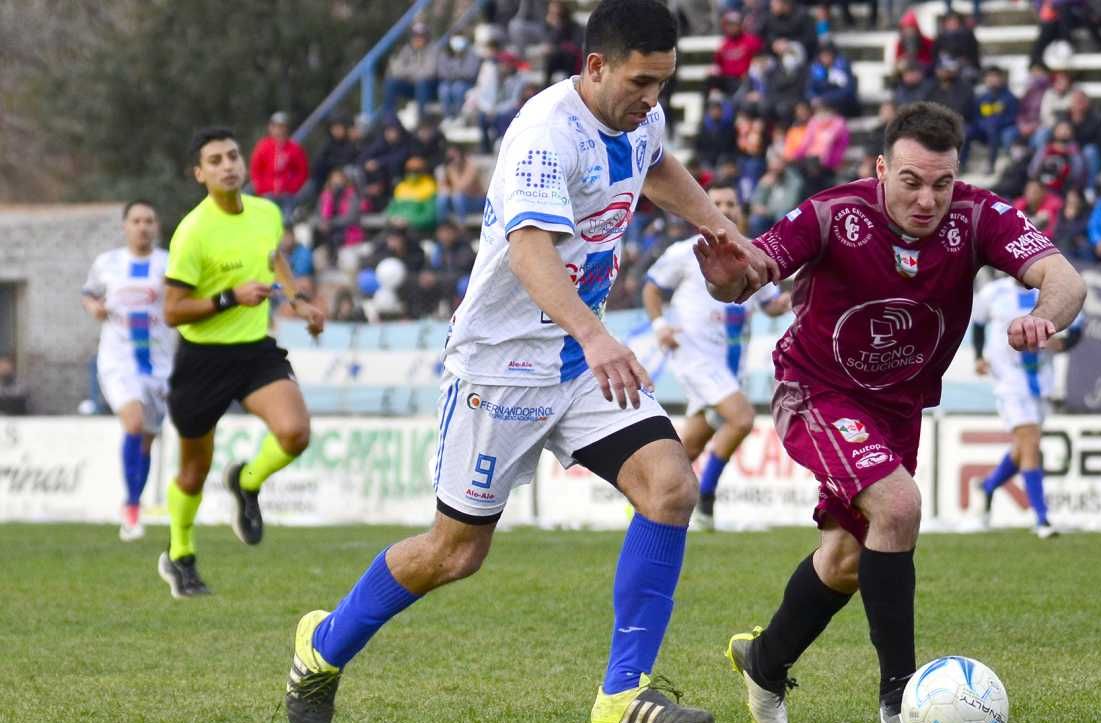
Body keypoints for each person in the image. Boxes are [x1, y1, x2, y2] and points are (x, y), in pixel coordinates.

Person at [281, 2, 777, 721]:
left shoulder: (641, 119)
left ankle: (621, 696)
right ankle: (321, 645)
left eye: (663, 83)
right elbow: (529, 251)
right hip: (499, 367)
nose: (652, 99)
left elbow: (656, 164)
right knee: (454, 552)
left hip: (577, 363)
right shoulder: (544, 135)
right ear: (595, 66)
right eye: (641, 81)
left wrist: (722, 227)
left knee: (670, 487)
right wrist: (598, 334)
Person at [695, 101, 1086, 722]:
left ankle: (765, 662)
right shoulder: (832, 213)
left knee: (849, 560)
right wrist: (725, 280)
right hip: (816, 390)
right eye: (910, 181)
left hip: (898, 409)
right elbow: (754, 271)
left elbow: (1064, 277)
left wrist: (1045, 313)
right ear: (881, 169)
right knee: (898, 506)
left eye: (942, 183)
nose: (927, 198)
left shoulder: (979, 215)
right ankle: (900, 699)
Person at [160, 127, 325, 599]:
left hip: (253, 351)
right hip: (202, 360)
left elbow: (273, 259)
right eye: (215, 160)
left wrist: (299, 300)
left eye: (232, 156)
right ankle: (180, 555)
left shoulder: (267, 212)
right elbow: (172, 311)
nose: (228, 165)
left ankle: (246, 482)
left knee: (295, 433)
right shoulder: (192, 232)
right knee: (193, 471)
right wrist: (230, 297)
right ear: (200, 174)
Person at [642, 183, 790, 531]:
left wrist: (788, 302)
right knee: (741, 418)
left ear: (742, 210)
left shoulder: (753, 254)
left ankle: (648, 505)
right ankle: (706, 502)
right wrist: (661, 324)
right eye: (717, 203)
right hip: (693, 355)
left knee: (689, 448)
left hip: (727, 365)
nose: (725, 209)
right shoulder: (685, 252)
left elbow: (768, 305)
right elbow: (651, 288)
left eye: (731, 203)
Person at [81, 199, 175, 542]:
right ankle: (131, 507)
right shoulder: (107, 263)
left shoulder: (169, 264)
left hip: (158, 363)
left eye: (149, 220)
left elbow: (182, 302)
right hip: (118, 359)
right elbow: (89, 294)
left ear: (157, 226)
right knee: (133, 423)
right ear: (125, 226)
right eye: (136, 220)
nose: (143, 226)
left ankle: (135, 502)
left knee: (147, 440)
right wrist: (94, 308)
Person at [973, 275, 1083, 538]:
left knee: (1023, 449)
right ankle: (1042, 519)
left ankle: (988, 486)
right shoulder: (993, 293)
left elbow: (1078, 325)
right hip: (1008, 382)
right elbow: (977, 324)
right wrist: (978, 356)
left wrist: (1064, 343)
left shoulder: (1052, 292)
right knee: (1031, 442)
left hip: (1042, 382)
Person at [248, 112, 309, 219]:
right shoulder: (263, 147)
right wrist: (262, 188)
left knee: (287, 221)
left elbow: (302, 171)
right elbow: (255, 170)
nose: (279, 130)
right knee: (268, 220)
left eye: (282, 127)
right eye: (275, 126)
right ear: (270, 128)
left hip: (288, 193)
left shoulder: (294, 148)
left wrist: (293, 186)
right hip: (268, 193)